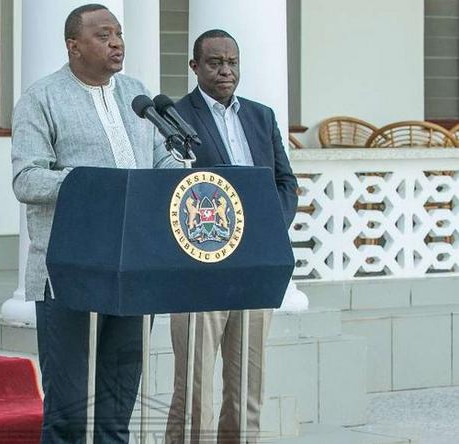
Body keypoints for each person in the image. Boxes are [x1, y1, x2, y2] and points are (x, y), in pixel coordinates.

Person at [11, 4, 182, 443]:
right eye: (104, 35)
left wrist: (178, 176)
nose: (117, 43)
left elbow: (159, 157)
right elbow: (27, 179)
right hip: (71, 270)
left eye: (119, 34)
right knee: (69, 409)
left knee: (117, 404)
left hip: (134, 266)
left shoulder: (136, 94)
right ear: (74, 46)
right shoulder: (41, 97)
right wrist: (93, 185)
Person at [165, 29, 298, 443]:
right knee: (196, 389)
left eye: (232, 63)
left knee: (248, 387)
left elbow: (285, 183)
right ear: (194, 67)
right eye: (214, 63)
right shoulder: (175, 117)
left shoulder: (261, 116)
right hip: (199, 270)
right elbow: (172, 190)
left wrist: (264, 233)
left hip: (255, 267)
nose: (225, 71)